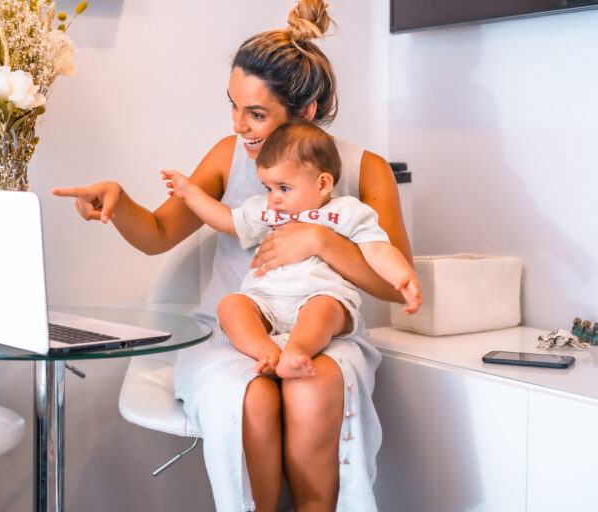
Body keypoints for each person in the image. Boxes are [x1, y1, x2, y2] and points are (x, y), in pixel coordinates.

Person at [52, 1, 413, 510]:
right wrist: (119, 199)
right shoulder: (229, 155)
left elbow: (394, 283)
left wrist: (322, 242)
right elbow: (158, 232)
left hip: (325, 332)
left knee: (312, 391)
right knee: (254, 398)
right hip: (232, 336)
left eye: (257, 114)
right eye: (233, 106)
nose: (240, 126)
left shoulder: (366, 170)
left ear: (306, 112)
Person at [161, 121, 421, 379]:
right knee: (230, 305)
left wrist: (402, 276)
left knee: (325, 310)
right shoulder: (267, 210)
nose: (274, 198)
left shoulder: (346, 212)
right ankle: (266, 351)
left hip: (319, 294)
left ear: (322, 184)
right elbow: (227, 220)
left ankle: (297, 351)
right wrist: (191, 193)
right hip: (266, 299)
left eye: (284, 188)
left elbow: (377, 249)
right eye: (268, 188)